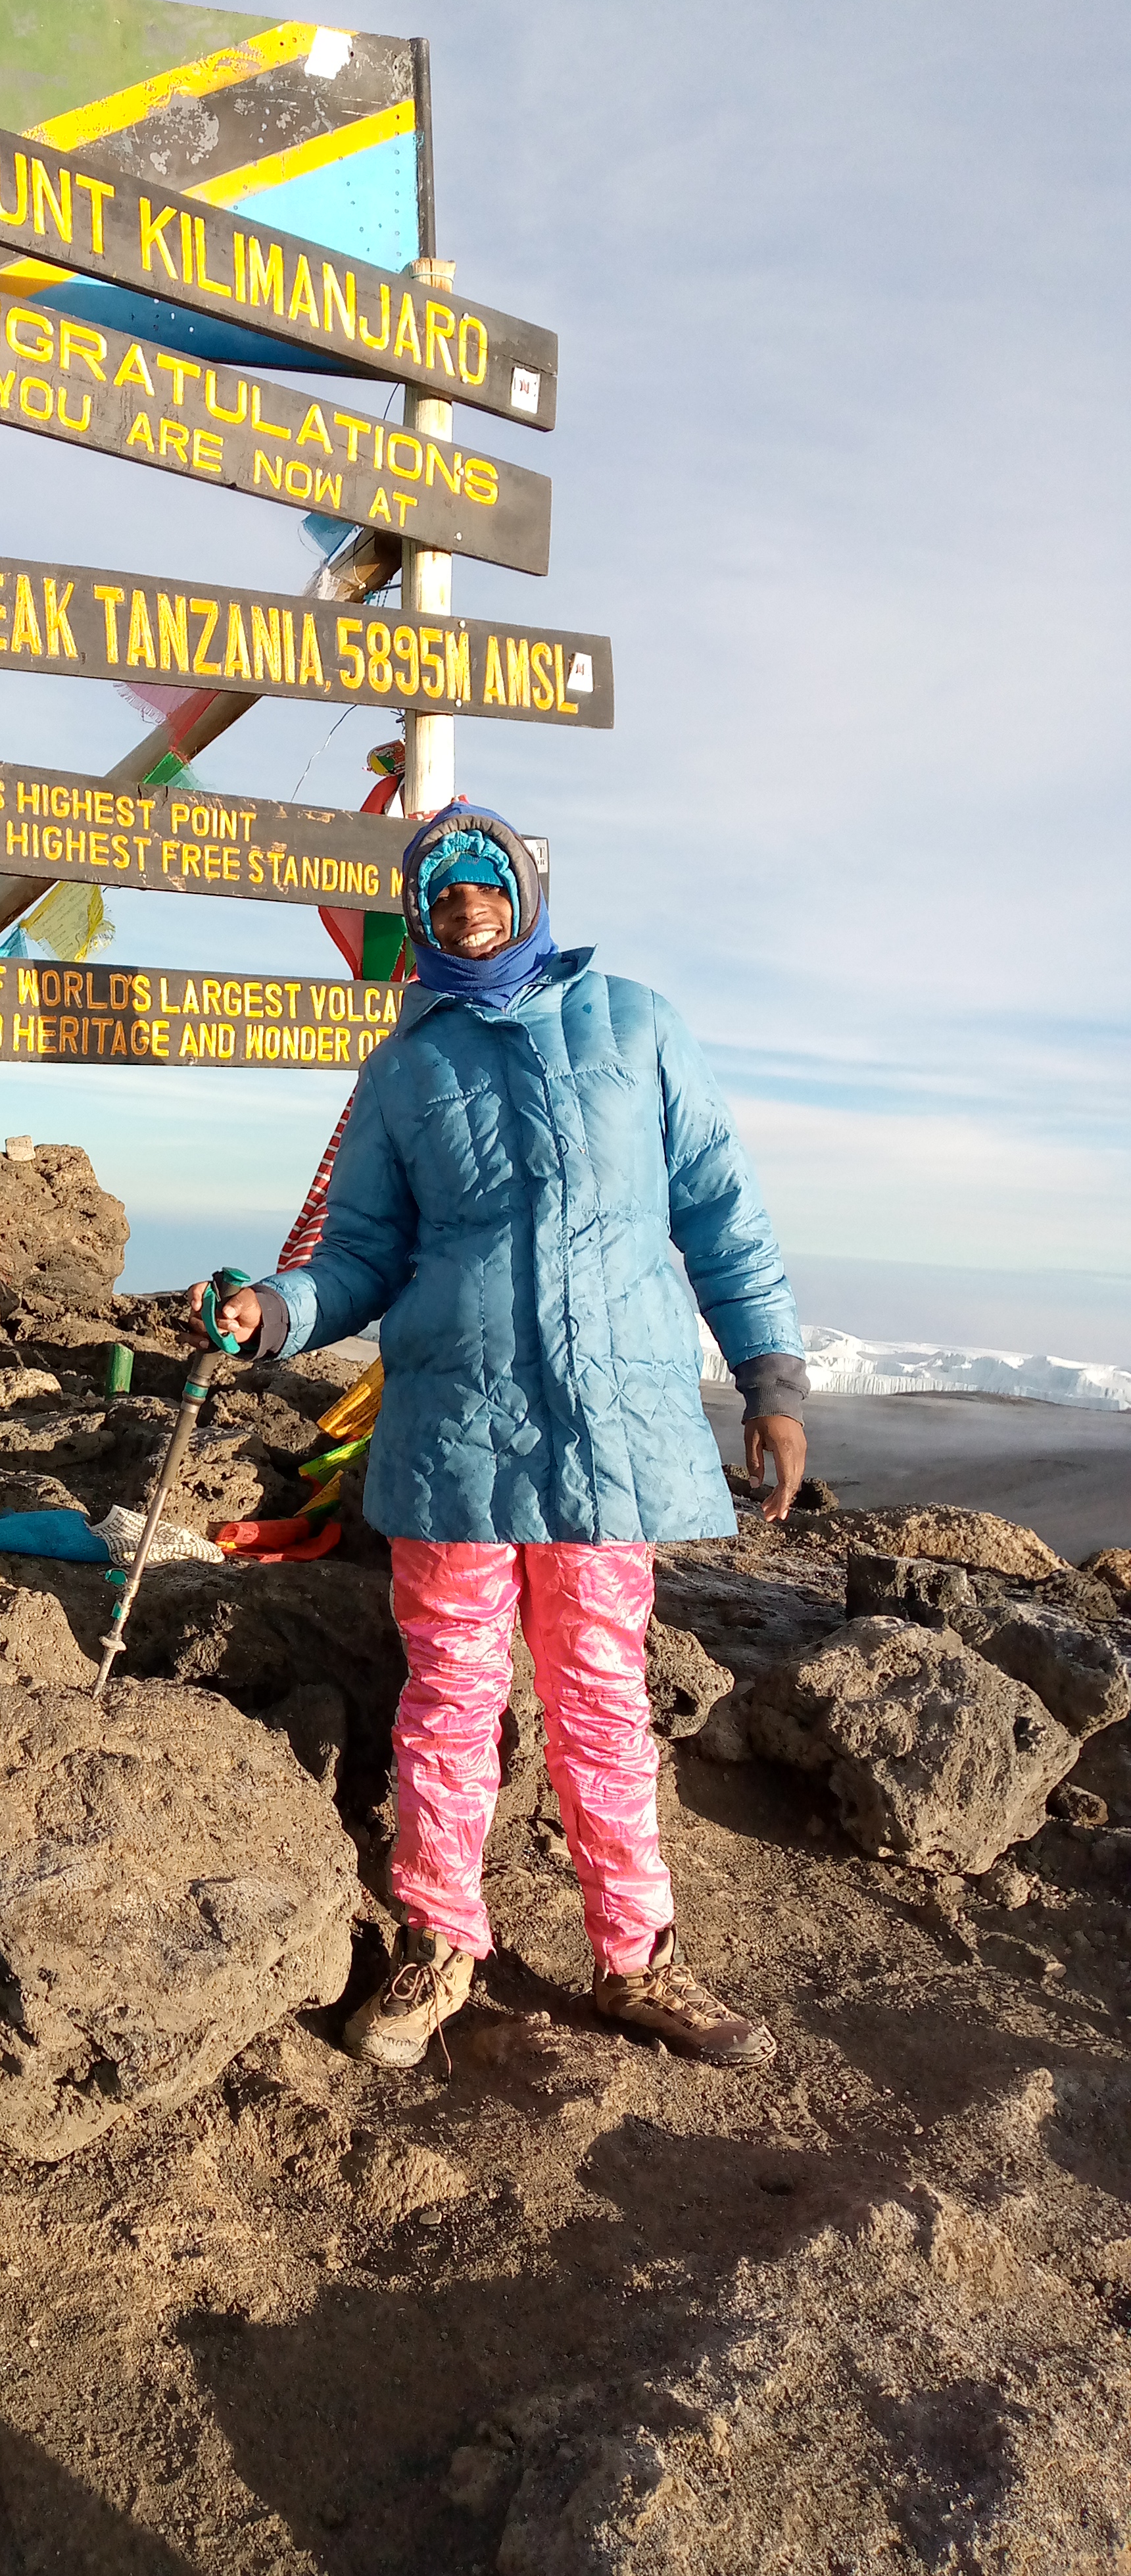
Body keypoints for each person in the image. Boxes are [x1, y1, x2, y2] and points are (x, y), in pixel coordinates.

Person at [194, 800, 807, 2073]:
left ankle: (639, 1960)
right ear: (421, 921)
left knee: (598, 1694)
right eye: (441, 891)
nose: (464, 901)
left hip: (605, 1438)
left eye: (485, 880)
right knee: (453, 1697)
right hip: (458, 1438)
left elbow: (719, 1207)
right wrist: (271, 1311)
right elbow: (357, 1256)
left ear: (527, 889)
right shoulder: (406, 1067)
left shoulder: (636, 1025)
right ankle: (438, 1941)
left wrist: (773, 1376)